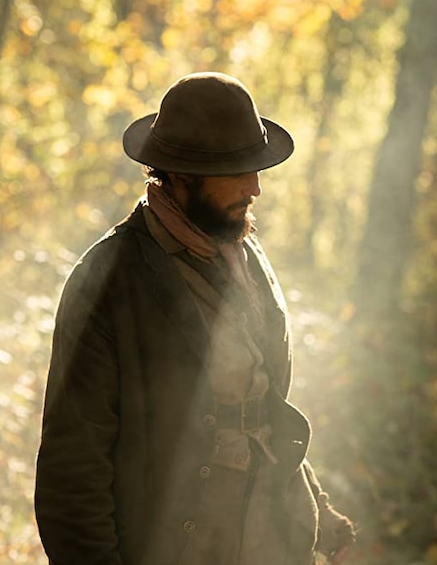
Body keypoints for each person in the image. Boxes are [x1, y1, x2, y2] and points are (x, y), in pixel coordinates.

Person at [34, 72, 355, 565]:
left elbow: (261, 401)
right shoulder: (109, 278)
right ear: (180, 174)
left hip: (270, 536)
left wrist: (317, 507)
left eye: (257, 166)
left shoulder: (245, 255)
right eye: (238, 170)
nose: (255, 187)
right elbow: (72, 470)